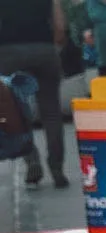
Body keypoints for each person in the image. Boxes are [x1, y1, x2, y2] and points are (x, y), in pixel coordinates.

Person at [0, 0, 69, 187]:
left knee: (17, 112)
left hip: (8, 52)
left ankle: (32, 163)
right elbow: (60, 26)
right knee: (52, 113)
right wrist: (53, 48)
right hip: (43, 49)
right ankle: (57, 169)